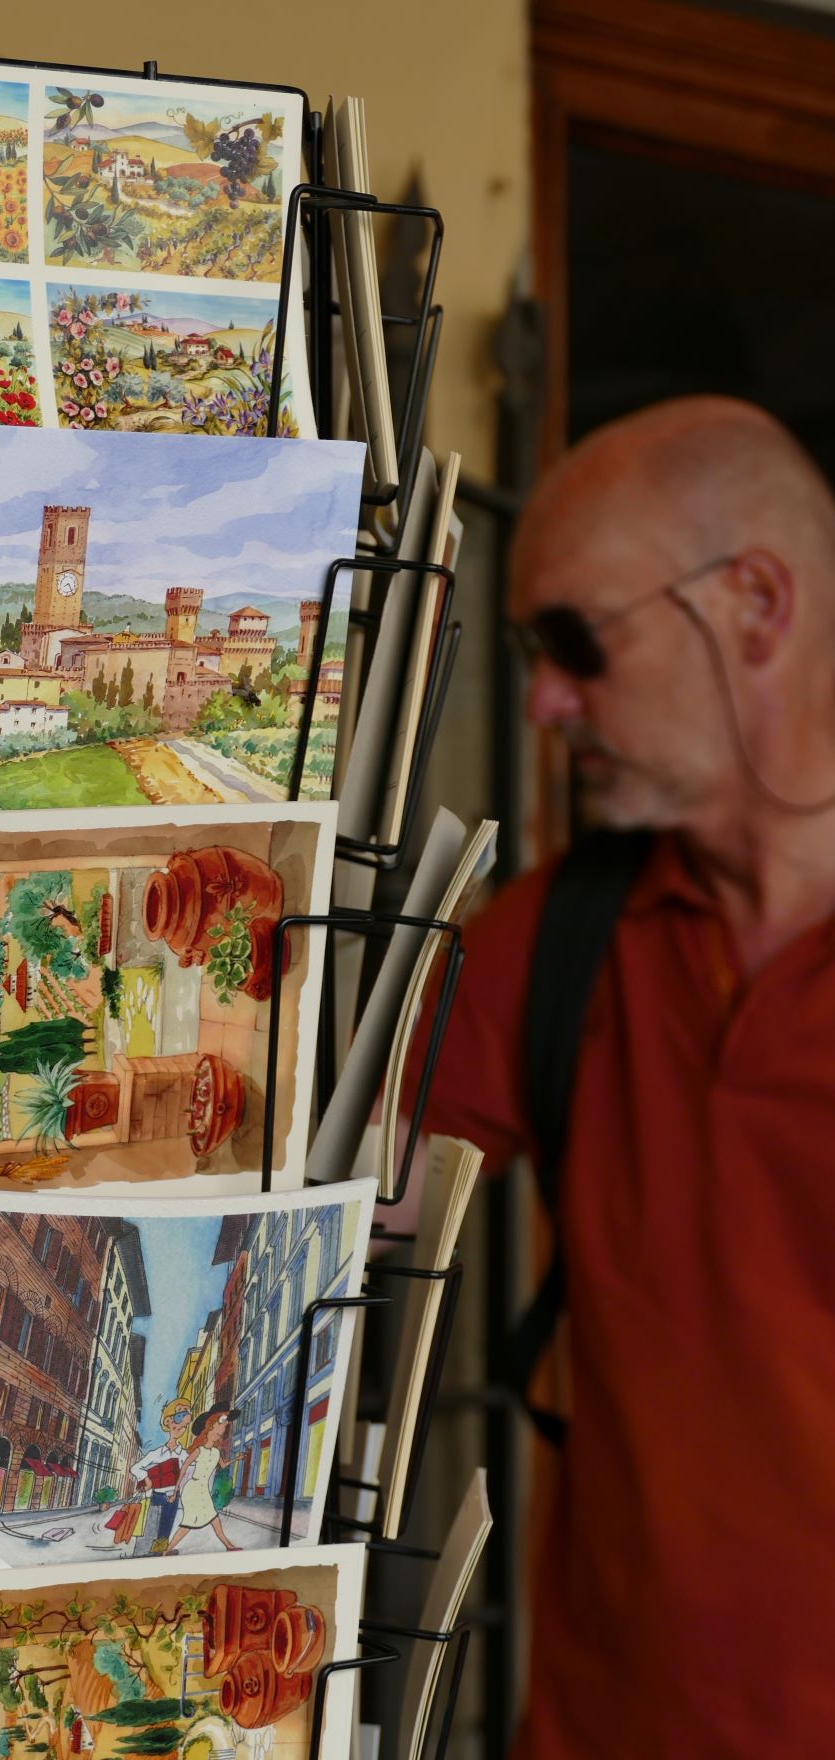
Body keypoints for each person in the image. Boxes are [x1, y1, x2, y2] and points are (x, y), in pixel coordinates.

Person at [423, 397, 835, 1759]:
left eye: (576, 644)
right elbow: (306, 1192)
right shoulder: (556, 940)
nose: (542, 703)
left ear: (753, 608)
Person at [166, 1404, 240, 1554]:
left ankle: (229, 1546)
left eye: (220, 1433)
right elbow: (184, 1468)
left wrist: (236, 1459)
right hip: (192, 1489)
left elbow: (223, 1465)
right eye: (215, 1431)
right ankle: (165, 1551)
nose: (218, 1434)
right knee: (188, 1524)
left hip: (203, 1489)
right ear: (208, 1430)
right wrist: (175, 1491)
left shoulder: (216, 1452)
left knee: (214, 1518)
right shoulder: (199, 1451)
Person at [128, 1397, 191, 1556]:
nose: (180, 1429)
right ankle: (141, 1556)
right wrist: (146, 1478)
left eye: (183, 1427)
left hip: (173, 1497)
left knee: (165, 1530)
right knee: (149, 1529)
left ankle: (159, 1555)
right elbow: (135, 1468)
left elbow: (190, 1475)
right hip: (157, 1496)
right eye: (177, 1424)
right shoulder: (157, 1453)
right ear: (168, 1423)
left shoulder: (184, 1455)